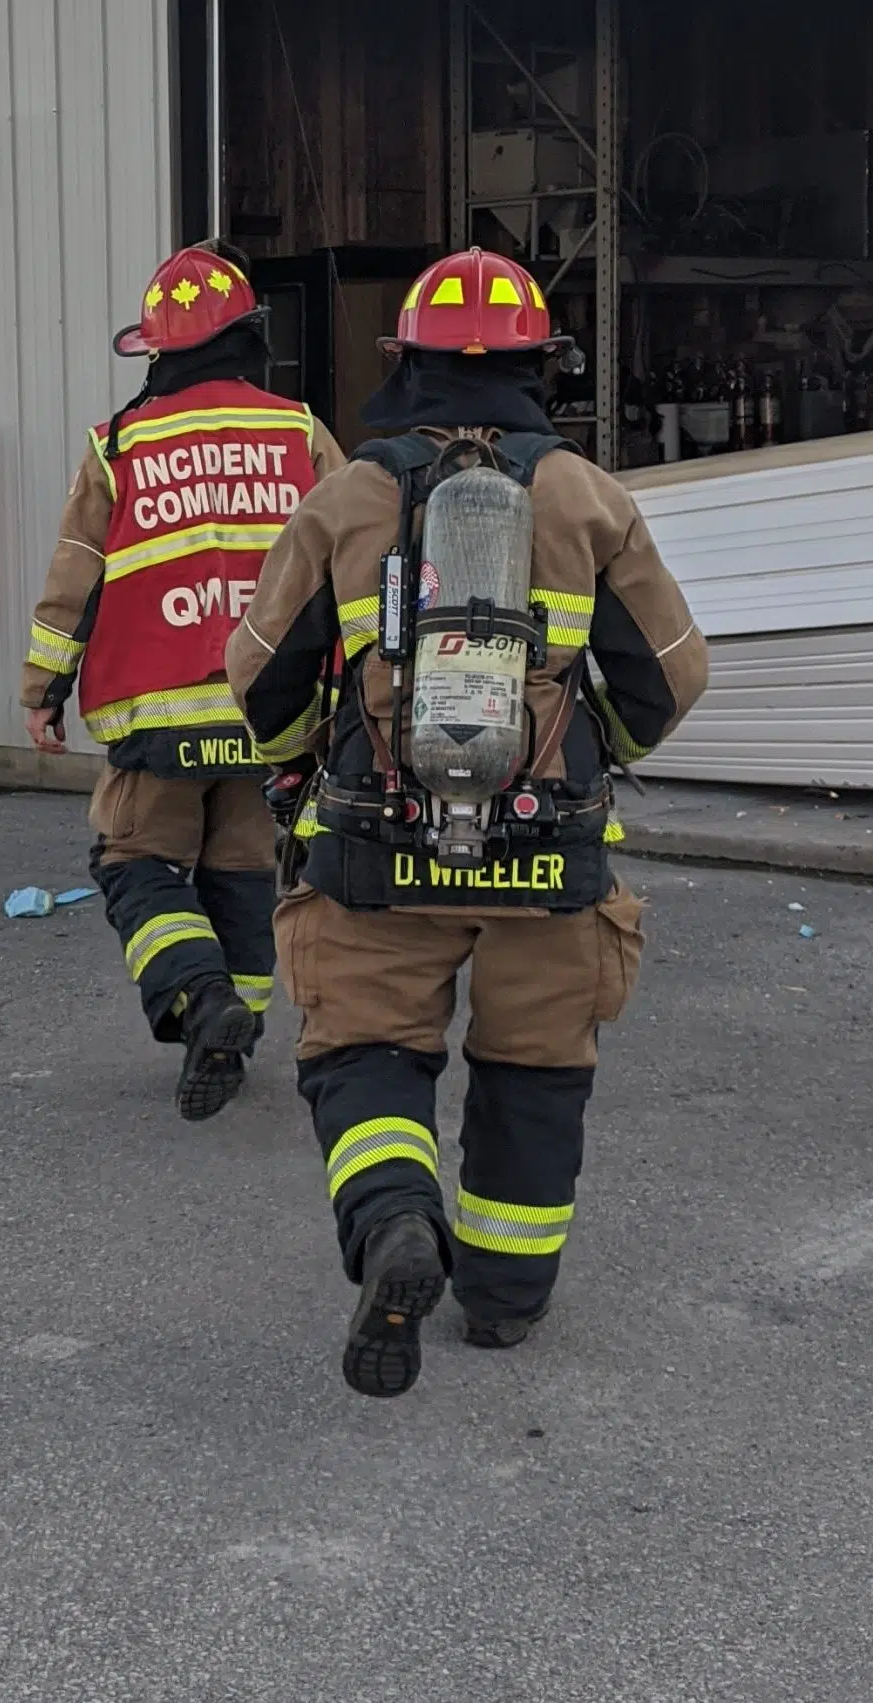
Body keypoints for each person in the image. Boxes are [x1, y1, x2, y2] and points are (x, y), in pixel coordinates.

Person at [226, 248, 707, 1397]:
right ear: (541, 365)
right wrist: (594, 766)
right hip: (547, 855)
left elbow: (260, 680)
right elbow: (670, 680)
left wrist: (296, 771)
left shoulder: (345, 497)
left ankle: (396, 1219)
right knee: (536, 1069)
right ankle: (502, 1300)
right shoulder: (588, 497)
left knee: (363, 1051)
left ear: (405, 362)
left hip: (373, 844)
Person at [22, 243, 346, 1120]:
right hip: (269, 715)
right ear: (247, 339)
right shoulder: (299, 432)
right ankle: (232, 1026)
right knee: (243, 871)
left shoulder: (122, 441)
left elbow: (74, 579)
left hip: (155, 715)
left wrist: (41, 688)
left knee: (134, 861)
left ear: (161, 350)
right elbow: (357, 565)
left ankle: (203, 1002)